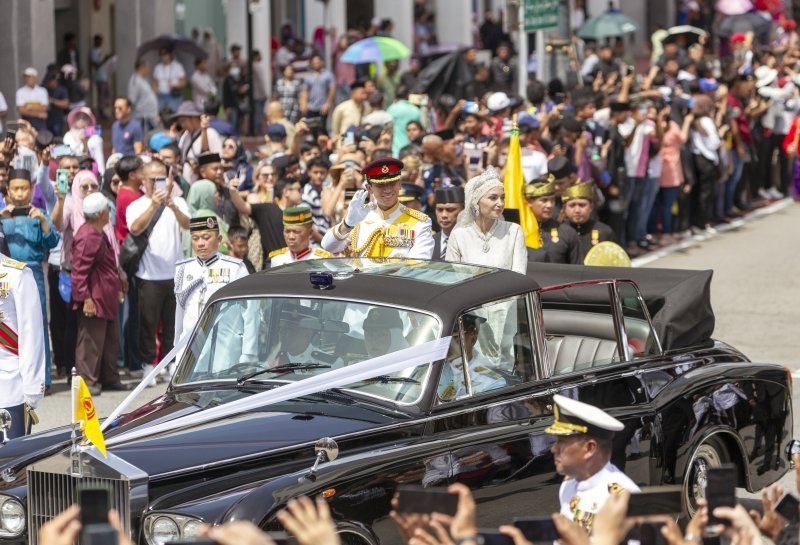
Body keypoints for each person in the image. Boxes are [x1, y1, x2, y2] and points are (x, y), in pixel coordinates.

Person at [126, 162, 190, 377]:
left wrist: (172, 206)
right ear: (143, 180)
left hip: (175, 274)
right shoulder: (136, 205)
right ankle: (148, 364)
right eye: (152, 179)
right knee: (148, 323)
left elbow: (188, 224)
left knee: (173, 324)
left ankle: (171, 362)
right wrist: (153, 205)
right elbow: (134, 228)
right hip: (149, 275)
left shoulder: (178, 201)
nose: (156, 183)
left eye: (161, 179)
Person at [547, 394, 639, 532]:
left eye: (562, 442)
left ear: (590, 448)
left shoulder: (623, 497)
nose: (554, 449)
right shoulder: (569, 484)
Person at [1, 168, 59, 388]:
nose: (18, 193)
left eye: (23, 188)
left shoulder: (39, 214)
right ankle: (13, 375)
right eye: (14, 188)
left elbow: (52, 243)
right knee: (8, 320)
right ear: (8, 191)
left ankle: (41, 379)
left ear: (31, 189)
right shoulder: (2, 214)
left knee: (37, 322)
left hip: (32, 273)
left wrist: (44, 221)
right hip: (5, 276)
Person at [71, 192, 128, 396]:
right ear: (101, 213)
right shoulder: (87, 236)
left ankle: (109, 378)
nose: (110, 212)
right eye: (107, 209)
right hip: (93, 298)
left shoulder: (98, 232)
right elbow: (79, 271)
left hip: (106, 296)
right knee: (91, 341)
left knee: (109, 340)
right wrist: (85, 297)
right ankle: (87, 381)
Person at [321, 158, 434, 259]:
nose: (388, 190)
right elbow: (328, 246)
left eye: (392, 183)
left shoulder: (419, 222)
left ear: (400, 184)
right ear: (369, 188)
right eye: (381, 185)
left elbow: (418, 265)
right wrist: (347, 224)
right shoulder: (361, 216)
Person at [174, 215, 248, 348]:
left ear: (219, 239)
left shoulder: (235, 268)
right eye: (195, 238)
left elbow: (249, 312)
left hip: (223, 346)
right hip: (190, 345)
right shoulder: (182, 269)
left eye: (206, 238)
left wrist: (248, 352)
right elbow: (179, 312)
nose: (200, 243)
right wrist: (177, 345)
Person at [445, 167, 527, 274]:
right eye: (493, 198)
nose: (500, 203)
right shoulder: (459, 235)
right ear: (476, 201)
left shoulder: (514, 231)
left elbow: (519, 275)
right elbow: (451, 276)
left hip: (507, 290)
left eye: (502, 198)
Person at [0, 253, 45, 440]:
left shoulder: (16, 274)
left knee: (9, 466)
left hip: (7, 391)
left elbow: (31, 334)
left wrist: (32, 390)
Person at [229, 177, 303, 268]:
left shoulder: (300, 215)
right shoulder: (267, 209)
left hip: (295, 263)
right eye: (298, 190)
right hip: (272, 265)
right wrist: (233, 192)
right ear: (286, 192)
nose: (301, 193)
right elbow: (243, 207)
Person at [558, 180, 615, 265]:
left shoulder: (604, 232)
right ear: (565, 207)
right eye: (572, 205)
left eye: (582, 205)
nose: (577, 210)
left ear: (591, 206)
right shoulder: (558, 232)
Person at [525, 176, 565, 263]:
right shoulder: (518, 231)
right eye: (544, 200)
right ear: (529, 201)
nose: (550, 205)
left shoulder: (566, 232)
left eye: (552, 200)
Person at [300, 54, 336, 124]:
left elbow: (332, 89)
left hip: (322, 106)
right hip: (311, 106)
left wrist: (327, 103)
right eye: (314, 63)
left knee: (322, 128)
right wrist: (303, 103)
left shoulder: (328, 75)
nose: (316, 64)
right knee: (312, 128)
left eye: (317, 63)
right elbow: (305, 91)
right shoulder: (308, 76)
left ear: (321, 62)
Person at [432, 187, 465, 260]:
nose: (444, 215)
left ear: (463, 210)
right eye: (440, 210)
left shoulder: (473, 241)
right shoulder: (428, 242)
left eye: (450, 210)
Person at [128, 58, 159, 131]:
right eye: (147, 67)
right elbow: (131, 100)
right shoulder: (134, 81)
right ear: (142, 67)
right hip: (142, 117)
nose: (148, 69)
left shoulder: (143, 79)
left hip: (149, 116)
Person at [153, 47, 186, 113]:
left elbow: (183, 82)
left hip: (174, 96)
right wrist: (153, 95)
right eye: (161, 54)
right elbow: (154, 83)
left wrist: (175, 86)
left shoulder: (177, 66)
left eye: (165, 54)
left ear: (170, 54)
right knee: (161, 115)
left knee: (174, 115)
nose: (163, 56)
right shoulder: (158, 67)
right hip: (161, 96)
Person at [90, 34, 113, 120]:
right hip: (99, 77)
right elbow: (95, 65)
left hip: (105, 76)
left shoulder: (101, 50)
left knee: (108, 93)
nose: (100, 43)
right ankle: (101, 111)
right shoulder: (93, 52)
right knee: (101, 95)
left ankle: (105, 108)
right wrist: (105, 59)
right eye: (99, 41)